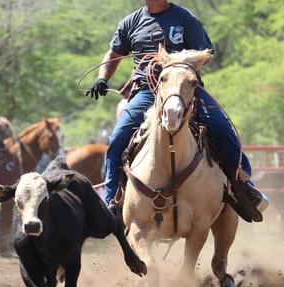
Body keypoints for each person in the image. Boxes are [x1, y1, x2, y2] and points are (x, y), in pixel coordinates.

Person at [87, 0, 268, 222]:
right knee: (117, 138)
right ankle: (110, 201)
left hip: (185, 89)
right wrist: (102, 78)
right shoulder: (130, 22)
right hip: (147, 91)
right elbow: (113, 54)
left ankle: (245, 187)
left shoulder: (185, 19)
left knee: (221, 127)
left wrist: (178, 61)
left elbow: (206, 53)